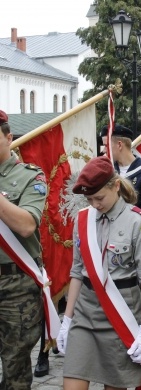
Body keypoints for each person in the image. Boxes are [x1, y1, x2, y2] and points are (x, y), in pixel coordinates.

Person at [57, 156, 141, 390]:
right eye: (89, 199)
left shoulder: (138, 221)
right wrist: (67, 319)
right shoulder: (83, 219)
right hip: (85, 313)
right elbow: (77, 272)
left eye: (99, 197)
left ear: (116, 186)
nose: (94, 204)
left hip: (120, 313)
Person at [0, 109, 46, 389]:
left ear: (8, 137)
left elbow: (27, 225)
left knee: (14, 367)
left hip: (15, 285)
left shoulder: (30, 176)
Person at [100, 125, 141, 317]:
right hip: (114, 245)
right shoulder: (109, 172)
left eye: (105, 145)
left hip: (138, 241)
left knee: (136, 299)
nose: (103, 150)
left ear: (119, 144)